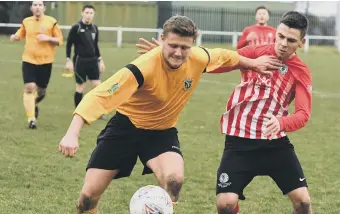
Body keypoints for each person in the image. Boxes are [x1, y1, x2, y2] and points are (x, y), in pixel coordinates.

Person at [58, 15, 282, 214]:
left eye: (184, 47)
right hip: (125, 129)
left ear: (192, 44)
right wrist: (72, 133)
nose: (178, 52)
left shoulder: (198, 57)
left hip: (161, 132)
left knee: (174, 181)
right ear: (163, 38)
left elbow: (225, 56)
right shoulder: (142, 67)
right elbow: (100, 95)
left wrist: (253, 63)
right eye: (173, 45)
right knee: (87, 199)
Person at [136, 11, 312, 214]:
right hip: (239, 142)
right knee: (225, 204)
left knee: (303, 202)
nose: (282, 43)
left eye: (290, 40)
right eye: (280, 36)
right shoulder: (256, 53)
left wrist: (281, 123)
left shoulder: (301, 71)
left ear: (301, 43)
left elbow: (303, 114)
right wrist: (172, 54)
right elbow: (215, 62)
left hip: (275, 144)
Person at [9, 1, 63, 129]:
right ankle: (31, 119)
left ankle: (33, 104)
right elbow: (20, 34)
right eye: (35, 5)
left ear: (44, 7)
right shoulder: (26, 21)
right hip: (28, 60)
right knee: (29, 88)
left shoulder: (52, 22)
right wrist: (15, 37)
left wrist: (48, 38)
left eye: (40, 5)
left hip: (46, 61)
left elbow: (60, 40)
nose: (37, 7)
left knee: (41, 91)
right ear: (31, 8)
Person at [65, 5, 106, 120]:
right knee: (80, 87)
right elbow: (68, 45)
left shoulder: (95, 28)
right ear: (82, 13)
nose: (89, 15)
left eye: (91, 13)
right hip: (80, 61)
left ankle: (98, 112)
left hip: (93, 61)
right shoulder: (76, 27)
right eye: (87, 12)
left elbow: (95, 46)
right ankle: (79, 113)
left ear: (94, 15)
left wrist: (100, 60)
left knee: (98, 87)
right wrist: (68, 60)